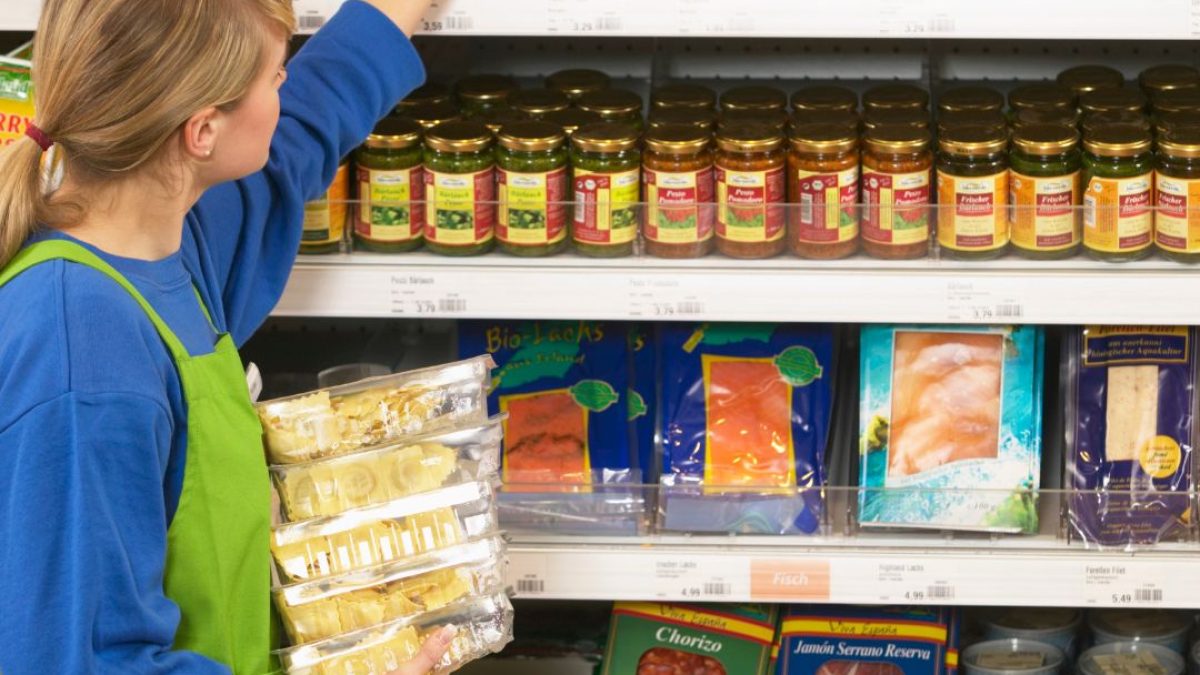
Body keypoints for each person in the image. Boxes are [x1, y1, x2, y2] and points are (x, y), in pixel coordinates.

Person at [0, 0, 444, 673]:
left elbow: (301, 131)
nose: (286, 87)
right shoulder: (83, 356)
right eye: (275, 75)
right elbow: (77, 662)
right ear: (202, 131)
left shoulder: (168, 247)